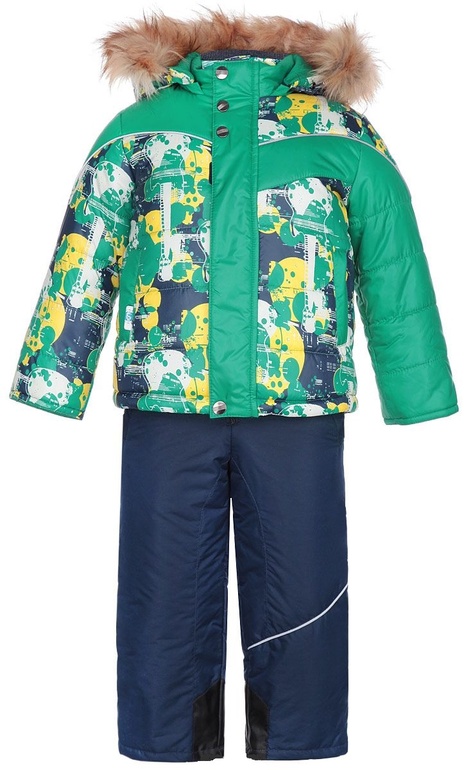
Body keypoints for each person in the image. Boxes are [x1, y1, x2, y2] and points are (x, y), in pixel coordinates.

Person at [8, 7, 459, 763]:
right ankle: (168, 745)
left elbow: (392, 258)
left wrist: (418, 387)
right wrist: (55, 373)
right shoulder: (143, 131)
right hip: (169, 401)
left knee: (303, 588)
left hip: (297, 404)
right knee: (164, 590)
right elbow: (87, 252)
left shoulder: (338, 133)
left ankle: (298, 743)